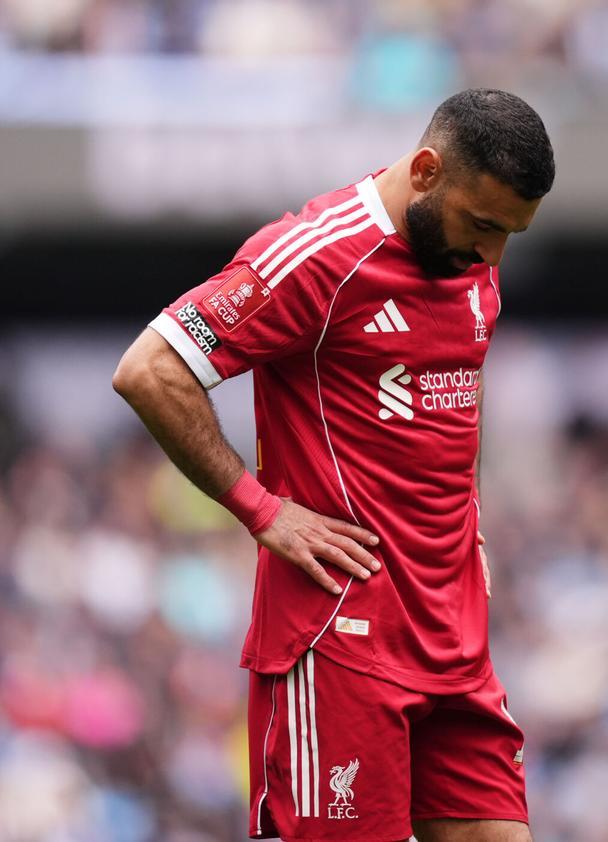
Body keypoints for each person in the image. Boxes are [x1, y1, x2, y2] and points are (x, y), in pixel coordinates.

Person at [112, 88, 555, 842]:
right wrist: (262, 510)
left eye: (511, 233)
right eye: (483, 224)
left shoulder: (470, 258)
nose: (493, 255)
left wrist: (466, 519)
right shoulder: (317, 256)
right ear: (425, 170)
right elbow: (150, 369)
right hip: (341, 638)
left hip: (453, 635)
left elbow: (449, 397)